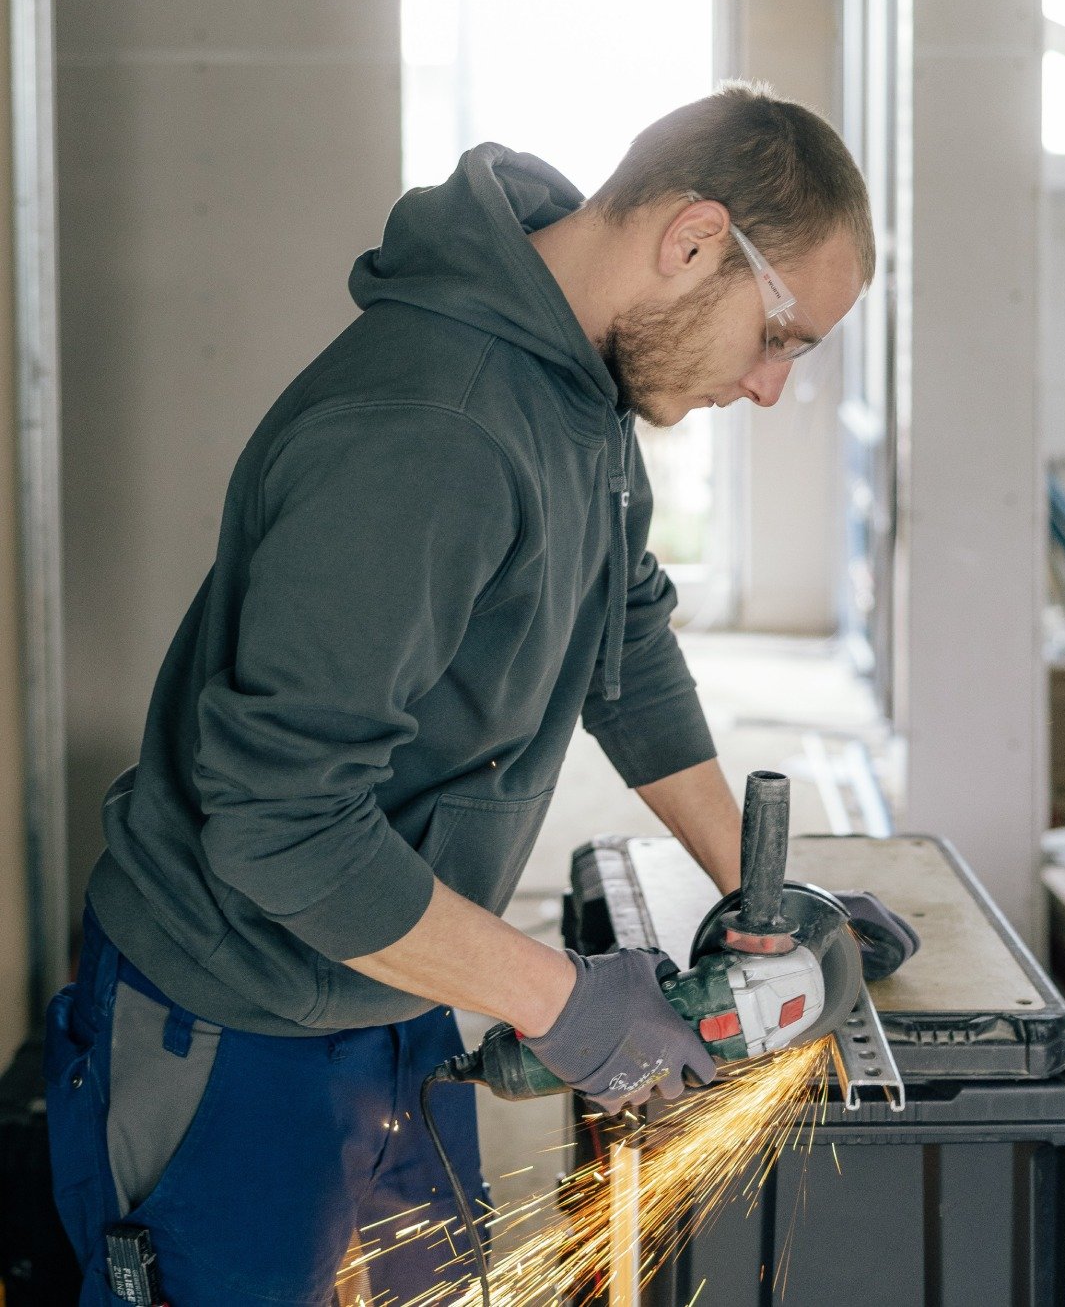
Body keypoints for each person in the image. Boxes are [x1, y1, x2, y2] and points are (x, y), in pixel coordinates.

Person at [45, 80, 905, 1306]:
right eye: (780, 338)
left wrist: (764, 893)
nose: (770, 388)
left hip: (398, 971)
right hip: (236, 1028)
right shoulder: (429, 428)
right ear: (696, 240)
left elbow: (627, 633)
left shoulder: (582, 387)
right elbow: (281, 825)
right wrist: (566, 1005)